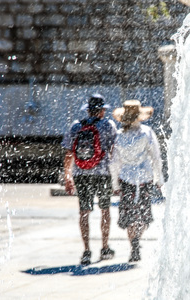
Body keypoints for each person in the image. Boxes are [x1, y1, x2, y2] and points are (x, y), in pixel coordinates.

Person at [62, 93, 117, 266]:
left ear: (87, 110)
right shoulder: (108, 125)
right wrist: (117, 176)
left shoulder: (76, 126)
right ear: (101, 111)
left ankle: (86, 251)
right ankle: (105, 247)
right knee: (105, 210)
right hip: (103, 174)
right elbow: (115, 151)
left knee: (84, 212)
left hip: (81, 174)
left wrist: (67, 176)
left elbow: (69, 153)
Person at [110, 100, 164, 262]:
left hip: (126, 180)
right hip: (144, 179)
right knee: (143, 215)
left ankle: (133, 244)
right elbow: (156, 157)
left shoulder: (119, 136)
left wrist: (114, 183)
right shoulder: (146, 133)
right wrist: (158, 178)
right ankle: (136, 241)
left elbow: (115, 162)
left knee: (129, 217)